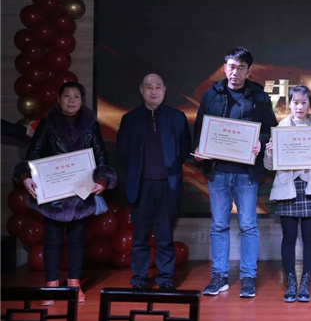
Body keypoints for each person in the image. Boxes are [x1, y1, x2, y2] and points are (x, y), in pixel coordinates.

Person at [13, 82, 117, 304]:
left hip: (81, 193)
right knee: (52, 240)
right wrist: (26, 177)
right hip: (53, 194)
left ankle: (73, 285)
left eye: (76, 96)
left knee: (77, 240)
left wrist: (102, 180)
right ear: (58, 99)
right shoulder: (47, 123)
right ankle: (51, 285)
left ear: (82, 100)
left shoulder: (91, 125)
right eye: (67, 96)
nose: (71, 100)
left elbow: (100, 155)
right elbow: (33, 154)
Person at [193, 47, 278, 298]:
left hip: (246, 172)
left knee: (248, 225)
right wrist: (198, 148)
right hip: (218, 170)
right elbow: (200, 128)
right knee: (219, 225)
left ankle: (248, 276)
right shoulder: (211, 95)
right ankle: (219, 276)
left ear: (249, 71)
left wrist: (261, 142)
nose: (235, 72)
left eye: (241, 68)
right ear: (224, 68)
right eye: (231, 66)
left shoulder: (259, 97)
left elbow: (270, 130)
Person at [117, 73, 191, 291]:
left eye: (158, 87)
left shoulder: (177, 117)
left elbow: (184, 150)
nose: (154, 91)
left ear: (164, 90)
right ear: (141, 90)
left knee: (165, 236)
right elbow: (122, 152)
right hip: (141, 186)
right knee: (140, 236)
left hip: (168, 186)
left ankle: (165, 278)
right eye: (149, 87)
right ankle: (139, 279)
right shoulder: (129, 119)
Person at [264, 85, 311, 303]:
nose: (299, 106)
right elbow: (269, 166)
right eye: (295, 102)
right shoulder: (281, 128)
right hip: (287, 187)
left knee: (309, 238)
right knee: (288, 238)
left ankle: (305, 281)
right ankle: (290, 282)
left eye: (304, 102)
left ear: (309, 104)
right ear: (289, 104)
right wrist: (269, 152)